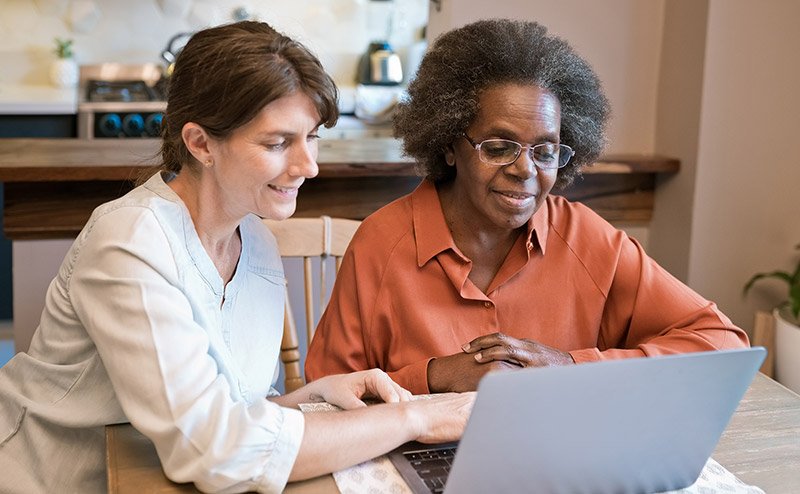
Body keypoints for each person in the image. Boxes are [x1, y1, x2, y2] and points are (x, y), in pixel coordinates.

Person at [0, 21, 473, 494]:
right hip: (47, 479)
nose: (308, 165)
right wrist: (413, 417)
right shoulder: (130, 242)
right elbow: (213, 450)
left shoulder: (257, 242)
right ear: (201, 143)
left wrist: (313, 395)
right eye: (277, 143)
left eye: (311, 137)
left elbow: (234, 412)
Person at [305, 18, 750, 395]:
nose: (526, 170)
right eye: (499, 147)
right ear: (448, 145)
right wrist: (436, 377)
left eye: (545, 151)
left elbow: (721, 344)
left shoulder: (587, 238)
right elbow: (324, 399)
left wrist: (572, 369)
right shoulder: (381, 244)